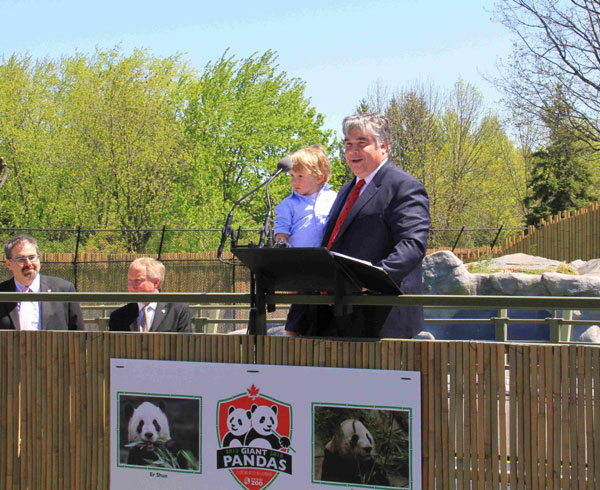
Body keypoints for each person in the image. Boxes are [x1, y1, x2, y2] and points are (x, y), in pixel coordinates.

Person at [292, 113, 430, 338]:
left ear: (383, 146)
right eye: (348, 144)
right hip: (339, 316)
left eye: (361, 143)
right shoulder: (346, 190)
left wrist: (372, 279)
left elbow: (412, 246)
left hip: (382, 319)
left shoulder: (404, 186)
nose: (352, 151)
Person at [0, 234, 84, 330]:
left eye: (32, 257)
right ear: (8, 264)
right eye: (21, 259)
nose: (28, 263)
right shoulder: (2, 293)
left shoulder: (63, 290)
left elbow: (79, 334)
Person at [274, 145, 337, 247]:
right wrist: (282, 242)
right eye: (292, 175)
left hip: (325, 258)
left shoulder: (334, 199)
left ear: (319, 178)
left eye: (300, 176)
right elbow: (281, 229)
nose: (294, 181)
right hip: (297, 257)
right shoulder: (288, 204)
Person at [109, 257, 191, 333]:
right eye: (130, 281)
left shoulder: (178, 311)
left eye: (138, 280)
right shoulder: (118, 316)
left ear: (156, 283)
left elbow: (185, 344)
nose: (132, 285)